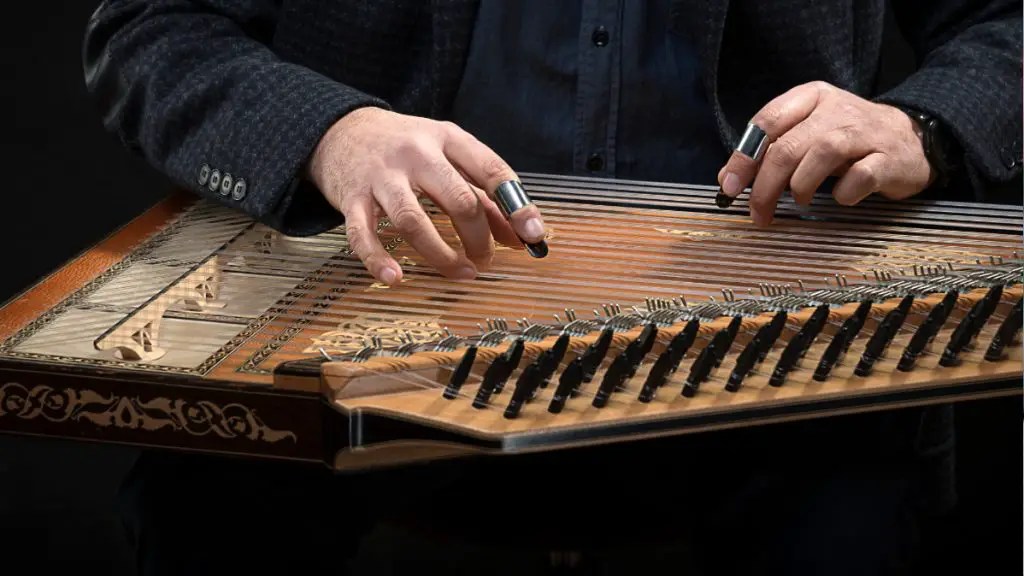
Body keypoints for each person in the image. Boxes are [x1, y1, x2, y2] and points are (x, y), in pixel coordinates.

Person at [82, 1, 1022, 575]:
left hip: (762, 328)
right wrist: (334, 133)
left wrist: (918, 125)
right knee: (208, 492)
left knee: (847, 512)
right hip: (389, 313)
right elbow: (151, 27)